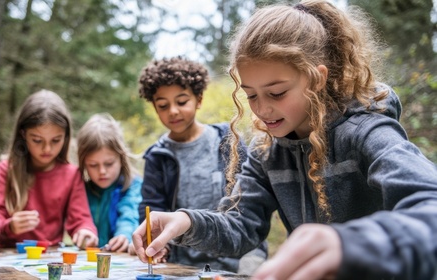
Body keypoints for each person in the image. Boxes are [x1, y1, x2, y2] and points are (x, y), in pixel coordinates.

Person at [131, 1, 437, 280]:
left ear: (316, 78)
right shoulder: (266, 151)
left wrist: (349, 245)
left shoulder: (366, 132)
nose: (262, 109)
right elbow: (241, 227)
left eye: (277, 93)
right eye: (250, 95)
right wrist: (184, 222)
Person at [131, 56, 268, 274]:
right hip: (185, 261)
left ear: (199, 99)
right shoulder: (157, 157)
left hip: (240, 254)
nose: (173, 111)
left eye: (182, 101)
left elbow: (248, 205)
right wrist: (159, 245)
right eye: (163, 105)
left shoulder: (227, 140)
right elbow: (151, 208)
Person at [0, 90, 98, 255]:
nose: (47, 149)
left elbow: (81, 219)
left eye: (56, 140)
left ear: (66, 137)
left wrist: (86, 232)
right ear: (23, 134)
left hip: (48, 260)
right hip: (6, 256)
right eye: (37, 140)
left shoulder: (71, 174)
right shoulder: (7, 169)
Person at [76, 113, 143, 252]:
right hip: (89, 261)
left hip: (121, 258)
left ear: (121, 158)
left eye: (109, 163)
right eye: (93, 165)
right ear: (84, 164)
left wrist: (124, 235)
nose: (102, 171)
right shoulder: (81, 188)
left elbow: (129, 213)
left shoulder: (132, 185)